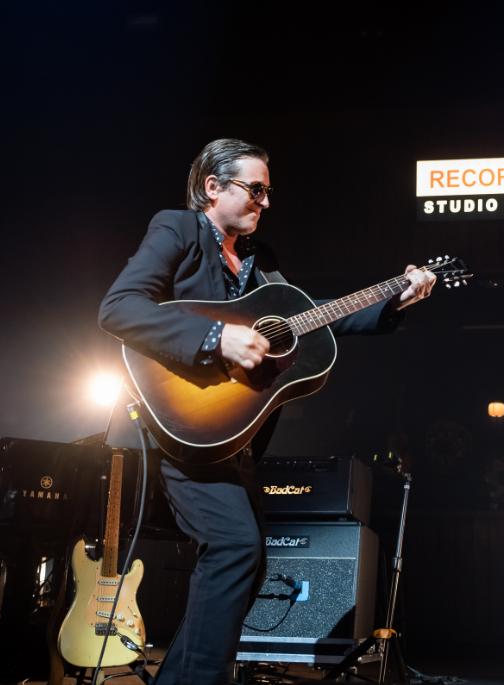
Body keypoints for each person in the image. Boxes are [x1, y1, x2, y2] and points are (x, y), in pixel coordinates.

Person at [98, 138, 435, 685]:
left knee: (247, 563)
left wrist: (393, 300)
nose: (265, 201)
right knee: (235, 547)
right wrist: (215, 336)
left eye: (267, 191)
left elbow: (309, 320)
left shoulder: (261, 260)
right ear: (213, 187)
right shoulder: (177, 229)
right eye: (255, 189)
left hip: (234, 434)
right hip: (179, 424)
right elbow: (119, 308)